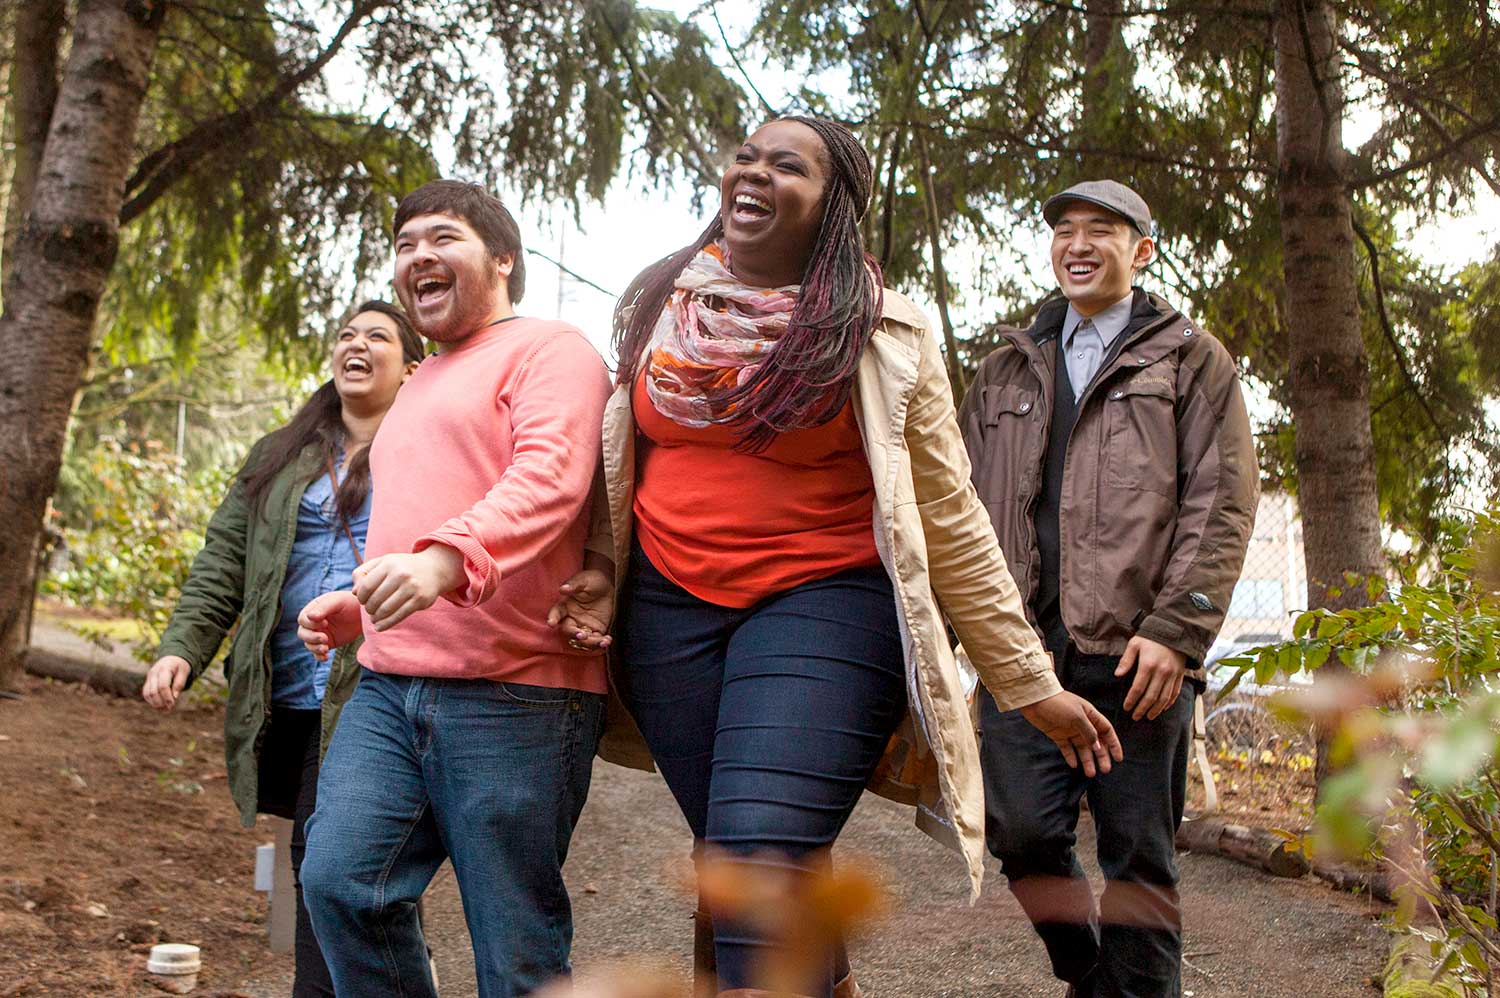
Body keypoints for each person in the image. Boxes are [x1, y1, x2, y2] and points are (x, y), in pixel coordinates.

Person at [552, 117, 1123, 998]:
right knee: (739, 858)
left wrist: (1028, 680)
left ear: (833, 207)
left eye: (788, 166)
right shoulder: (665, 301)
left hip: (824, 604)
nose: (754, 172)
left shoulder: (879, 329)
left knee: (759, 855)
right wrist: (596, 566)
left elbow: (949, 511)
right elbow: (620, 462)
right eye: (746, 155)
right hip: (668, 614)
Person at [294, 179, 612, 998]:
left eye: (443, 238)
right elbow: (414, 524)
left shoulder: (552, 349)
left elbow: (551, 480)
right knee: (339, 884)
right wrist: (362, 608)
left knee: (516, 951)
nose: (418, 256)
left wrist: (441, 564)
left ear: (503, 259)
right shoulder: (419, 384)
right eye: (404, 245)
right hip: (390, 687)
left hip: (518, 695)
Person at [958, 180, 1258, 997]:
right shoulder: (1002, 370)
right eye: (1064, 230)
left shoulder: (1192, 359)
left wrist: (1178, 631)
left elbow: (1222, 500)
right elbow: (957, 504)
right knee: (1019, 834)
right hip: (1025, 657)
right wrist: (975, 633)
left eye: (1102, 230)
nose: (1078, 244)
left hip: (1139, 657)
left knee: (1139, 861)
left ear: (1143, 250)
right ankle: (1094, 979)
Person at [143, 301, 425, 997]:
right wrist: (182, 648)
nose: (356, 345)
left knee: (329, 858)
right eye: (347, 335)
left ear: (413, 368)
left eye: (377, 337)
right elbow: (224, 560)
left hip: (375, 691)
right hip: (290, 688)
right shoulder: (280, 453)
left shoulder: (428, 452)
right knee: (328, 864)